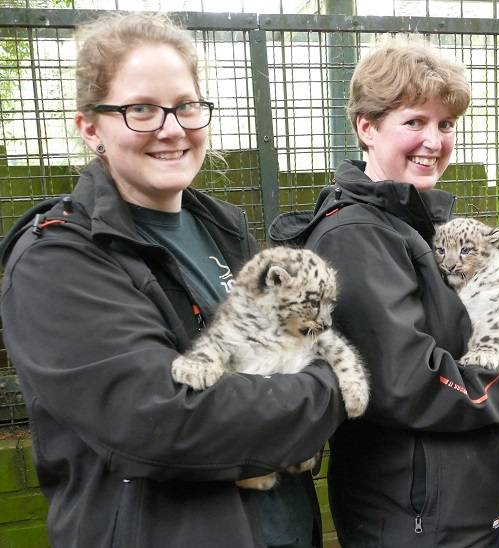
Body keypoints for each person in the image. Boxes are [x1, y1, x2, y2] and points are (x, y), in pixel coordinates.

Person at [0, 13, 347, 548]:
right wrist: (329, 391)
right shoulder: (58, 262)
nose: (171, 128)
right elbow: (169, 421)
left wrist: (282, 397)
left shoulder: (222, 227)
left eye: (186, 106)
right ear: (91, 127)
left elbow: (293, 349)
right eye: (141, 109)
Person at [268, 37, 499, 547]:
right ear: (366, 127)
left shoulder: (413, 222)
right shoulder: (356, 235)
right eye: (414, 122)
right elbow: (408, 382)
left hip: (457, 507)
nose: (434, 140)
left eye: (445, 124)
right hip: (415, 517)